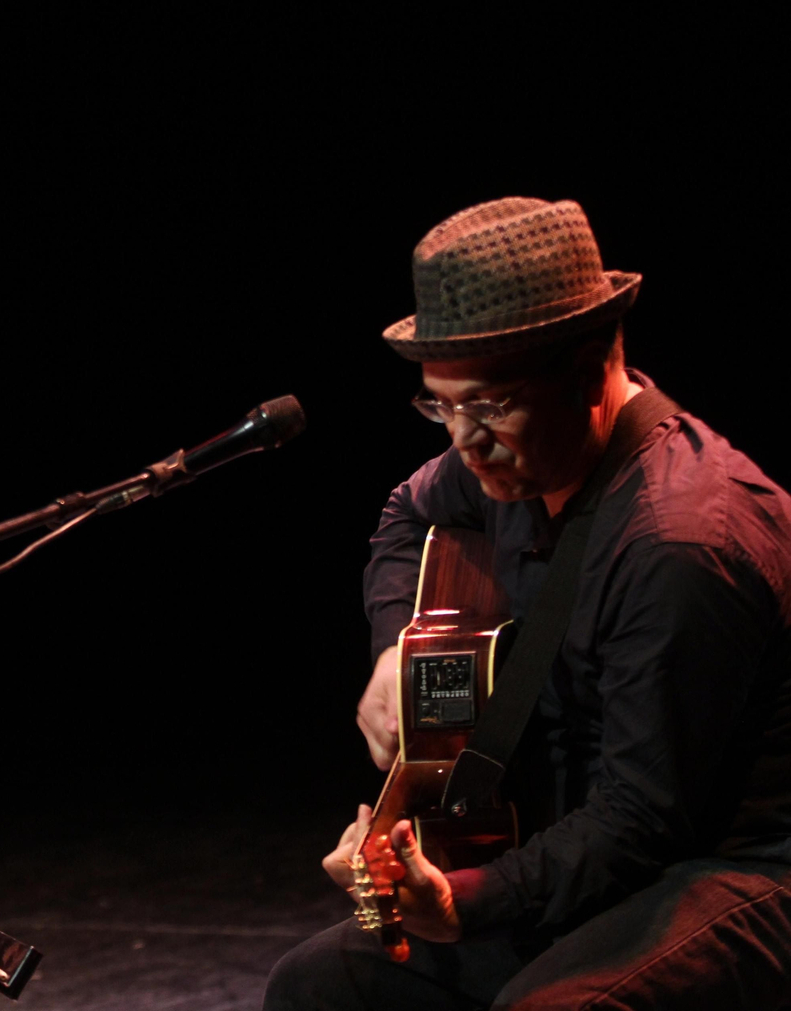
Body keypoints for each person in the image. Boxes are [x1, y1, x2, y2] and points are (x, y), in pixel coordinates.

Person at [263, 198, 791, 1009]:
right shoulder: (515, 459)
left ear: (587, 373)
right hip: (595, 844)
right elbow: (407, 514)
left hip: (737, 867)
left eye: (490, 404)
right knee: (317, 986)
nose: (462, 444)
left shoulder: (680, 543)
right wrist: (396, 652)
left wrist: (467, 900)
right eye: (441, 405)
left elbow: (643, 821)